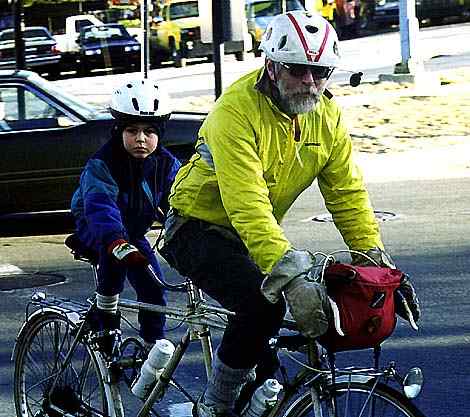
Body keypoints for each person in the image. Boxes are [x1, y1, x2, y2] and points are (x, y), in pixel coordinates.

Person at [160, 10, 420, 417]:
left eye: (322, 72)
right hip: (196, 228)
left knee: (279, 350)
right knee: (262, 306)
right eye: (299, 71)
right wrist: (289, 274)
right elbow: (247, 202)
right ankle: (215, 408)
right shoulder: (235, 112)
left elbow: (347, 193)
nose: (311, 83)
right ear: (272, 64)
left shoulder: (327, 115)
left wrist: (377, 262)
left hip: (254, 235)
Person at [71, 78, 181, 356]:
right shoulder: (103, 162)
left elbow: (181, 200)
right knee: (114, 262)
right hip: (97, 227)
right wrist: (116, 241)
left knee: (153, 287)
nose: (141, 139)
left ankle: (151, 347)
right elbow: (100, 206)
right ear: (119, 130)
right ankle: (105, 322)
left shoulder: (165, 163)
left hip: (132, 232)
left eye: (149, 132)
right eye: (132, 130)